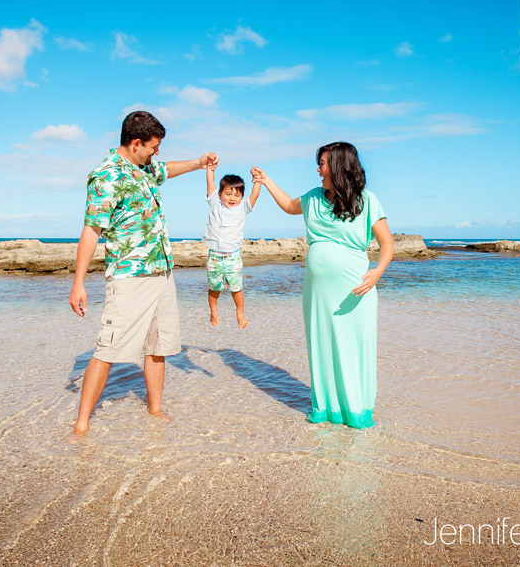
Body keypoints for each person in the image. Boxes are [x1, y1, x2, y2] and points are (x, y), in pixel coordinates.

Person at [68, 110, 218, 437]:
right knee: (108, 349)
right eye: (153, 146)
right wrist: (78, 283)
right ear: (136, 143)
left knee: (158, 345)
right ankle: (81, 426)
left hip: (162, 270)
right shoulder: (106, 175)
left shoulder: (145, 167)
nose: (157, 153)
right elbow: (92, 230)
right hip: (129, 275)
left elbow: (168, 169)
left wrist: (199, 162)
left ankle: (154, 409)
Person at [251, 142, 394, 429]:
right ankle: (327, 409)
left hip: (356, 290)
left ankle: (356, 411)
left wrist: (377, 272)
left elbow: (387, 243)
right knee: (322, 346)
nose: (318, 170)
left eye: (324, 163)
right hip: (318, 293)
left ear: (340, 166)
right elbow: (289, 205)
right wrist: (266, 181)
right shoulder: (313, 198)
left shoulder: (367, 200)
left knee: (353, 348)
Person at [203, 166, 261, 328]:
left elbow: (255, 195)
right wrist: (210, 168)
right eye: (228, 194)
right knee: (214, 287)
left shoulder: (243, 208)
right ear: (220, 194)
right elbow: (210, 183)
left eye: (237, 195)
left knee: (236, 287)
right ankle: (213, 311)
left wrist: (257, 180)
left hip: (233, 256)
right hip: (214, 256)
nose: (232, 198)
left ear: (242, 197)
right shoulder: (215, 203)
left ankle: (240, 312)